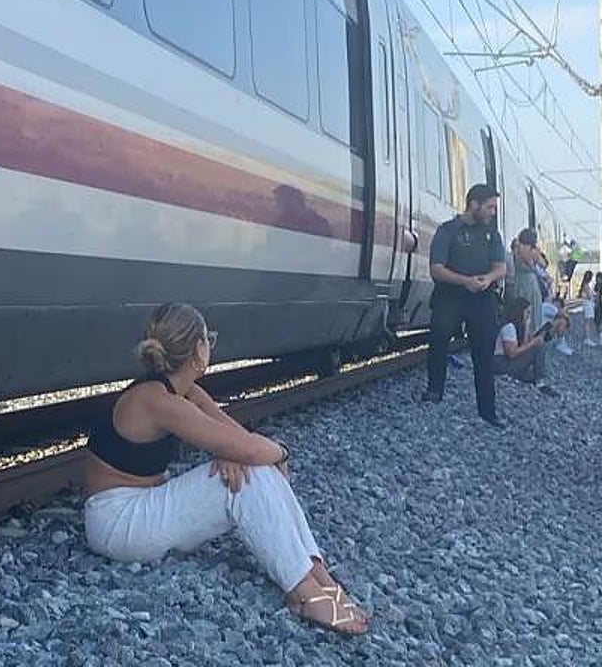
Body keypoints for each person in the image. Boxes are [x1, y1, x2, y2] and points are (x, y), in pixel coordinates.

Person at [84, 303, 368, 635]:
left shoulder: (184, 392)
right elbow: (249, 448)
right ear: (197, 350)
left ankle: (318, 576)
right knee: (247, 477)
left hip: (143, 506)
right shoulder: (157, 400)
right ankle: (304, 593)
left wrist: (241, 453)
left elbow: (238, 439)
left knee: (252, 469)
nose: (210, 347)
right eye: (209, 340)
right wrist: (280, 451)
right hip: (118, 525)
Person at [422, 184, 508, 428]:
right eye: (490, 207)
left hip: (482, 299)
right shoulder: (448, 231)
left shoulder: (492, 234)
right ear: (474, 204)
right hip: (450, 296)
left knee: (483, 355)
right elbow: (437, 269)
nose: (493, 212)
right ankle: (434, 390)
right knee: (439, 340)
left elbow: (500, 267)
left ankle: (487, 410)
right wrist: (465, 281)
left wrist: (488, 279)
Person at [492, 296, 556, 396]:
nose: (528, 316)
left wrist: (526, 326)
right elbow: (511, 353)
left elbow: (523, 346)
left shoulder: (516, 326)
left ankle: (537, 378)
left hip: (506, 363)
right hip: (501, 364)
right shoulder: (509, 327)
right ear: (520, 312)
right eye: (527, 312)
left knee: (533, 375)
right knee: (538, 348)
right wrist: (533, 344)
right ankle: (540, 383)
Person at [509, 229, 544, 333]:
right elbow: (543, 264)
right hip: (530, 282)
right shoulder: (532, 251)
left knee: (520, 311)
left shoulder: (517, 249)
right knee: (533, 311)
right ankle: (532, 334)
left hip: (519, 280)